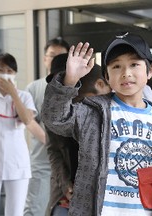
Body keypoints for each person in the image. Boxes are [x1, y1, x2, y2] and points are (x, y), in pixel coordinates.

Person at [41, 32, 152, 216]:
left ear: (150, 71)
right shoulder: (93, 112)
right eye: (116, 66)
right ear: (106, 76)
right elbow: (55, 119)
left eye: (134, 64)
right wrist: (70, 80)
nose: (126, 73)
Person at [44, 53, 111, 216]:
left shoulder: (116, 108)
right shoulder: (56, 109)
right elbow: (54, 151)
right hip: (65, 200)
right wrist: (66, 185)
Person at [0, 53, 37, 216]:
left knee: (15, 211)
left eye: (9, 70)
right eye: (0, 69)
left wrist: (14, 94)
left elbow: (26, 120)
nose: (5, 73)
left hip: (17, 160)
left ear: (15, 73)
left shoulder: (24, 97)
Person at [24, 37, 70, 216]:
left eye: (61, 56)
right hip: (42, 160)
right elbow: (29, 120)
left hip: (66, 163)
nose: (55, 59)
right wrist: (49, 141)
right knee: (35, 206)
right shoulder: (33, 87)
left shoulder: (75, 86)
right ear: (44, 59)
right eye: (51, 56)